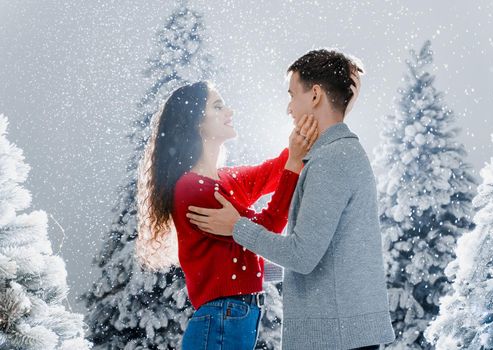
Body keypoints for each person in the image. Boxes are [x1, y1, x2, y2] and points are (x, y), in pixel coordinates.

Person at [186, 49, 396, 350]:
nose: (289, 108)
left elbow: (301, 256)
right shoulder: (336, 154)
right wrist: (242, 269)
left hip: (335, 340)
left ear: (314, 96)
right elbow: (321, 257)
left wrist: (237, 227)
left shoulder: (331, 160)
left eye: (292, 94)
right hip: (343, 335)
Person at [134, 80, 321, 350]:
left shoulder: (226, 180)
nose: (229, 111)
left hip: (231, 318)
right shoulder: (192, 189)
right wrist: (294, 162)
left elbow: (274, 172)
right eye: (218, 106)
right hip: (222, 320)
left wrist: (309, 124)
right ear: (196, 122)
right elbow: (265, 229)